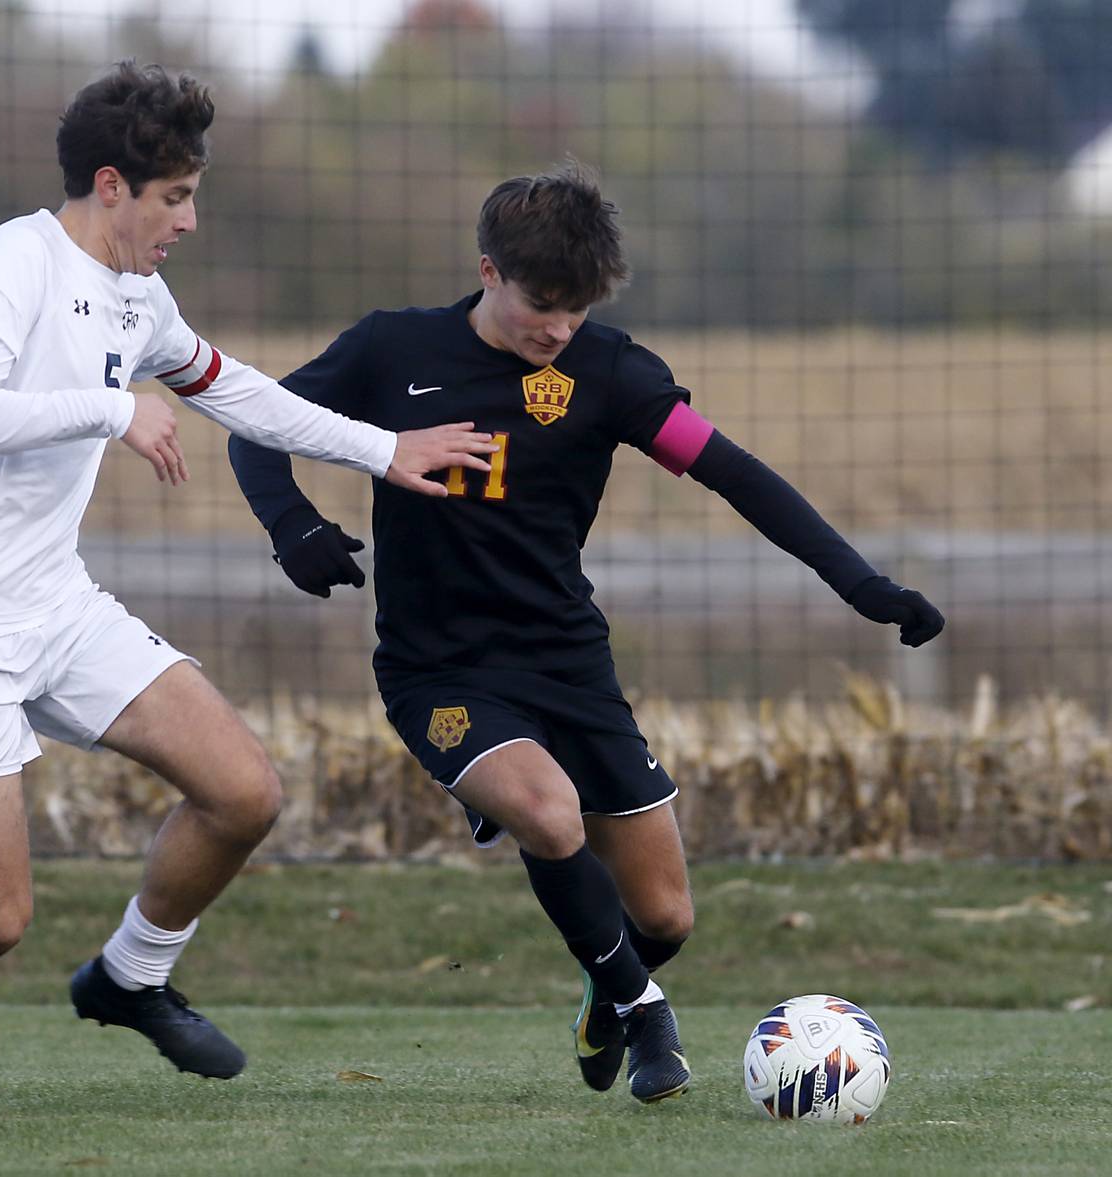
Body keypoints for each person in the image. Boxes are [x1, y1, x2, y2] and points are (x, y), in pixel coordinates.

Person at [0, 61, 497, 1114]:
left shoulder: (138, 294)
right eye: (176, 197)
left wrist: (384, 450)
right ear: (113, 185)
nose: (189, 220)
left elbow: (232, 388)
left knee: (245, 790)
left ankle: (129, 974)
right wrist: (110, 412)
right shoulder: (4, 265)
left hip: (56, 608)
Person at [228, 162, 945, 1104]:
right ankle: (648, 1018)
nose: (558, 328)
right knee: (548, 810)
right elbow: (254, 429)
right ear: (488, 271)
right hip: (438, 670)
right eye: (541, 304)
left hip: (569, 661)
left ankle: (610, 992)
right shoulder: (389, 350)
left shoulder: (609, 372)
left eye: (577, 309)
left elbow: (736, 473)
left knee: (665, 915)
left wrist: (862, 582)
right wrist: (296, 528)